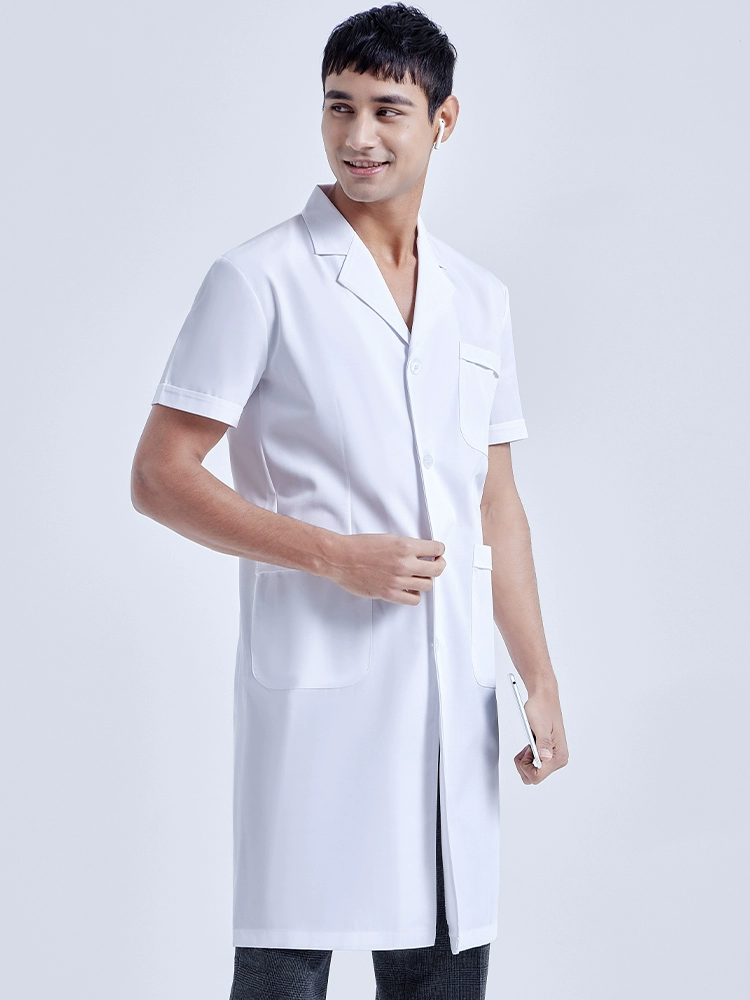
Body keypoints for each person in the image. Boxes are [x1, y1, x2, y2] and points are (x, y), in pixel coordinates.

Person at [131, 4, 568, 998]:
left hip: (453, 698)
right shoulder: (259, 279)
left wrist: (537, 676)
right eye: (339, 107)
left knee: (443, 970)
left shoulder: (478, 298)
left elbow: (496, 504)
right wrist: (335, 555)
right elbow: (159, 474)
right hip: (320, 702)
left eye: (387, 110)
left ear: (443, 120)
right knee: (288, 968)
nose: (358, 136)